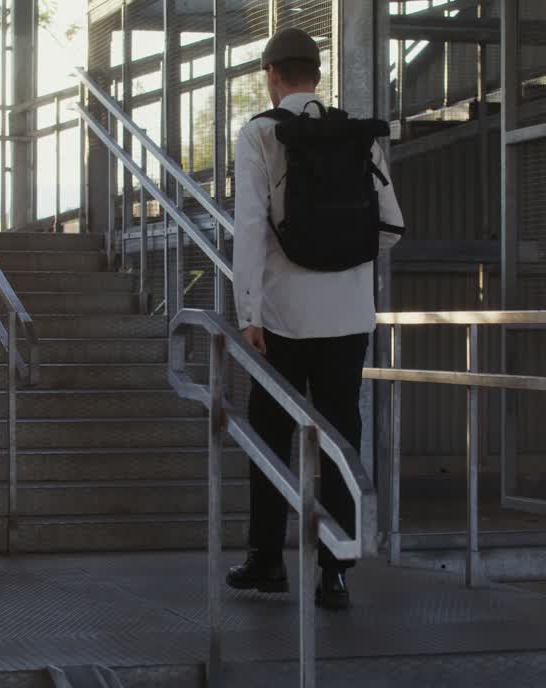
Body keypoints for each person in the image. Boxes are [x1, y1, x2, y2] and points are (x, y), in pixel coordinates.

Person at [226, 27, 404, 610]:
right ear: (319, 76)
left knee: (270, 434)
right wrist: (344, 265)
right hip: (349, 317)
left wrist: (248, 311)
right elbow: (391, 226)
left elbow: (250, 229)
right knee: (340, 439)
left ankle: (266, 560)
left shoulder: (259, 134)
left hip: (282, 317)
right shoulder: (355, 136)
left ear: (271, 74)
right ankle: (336, 572)